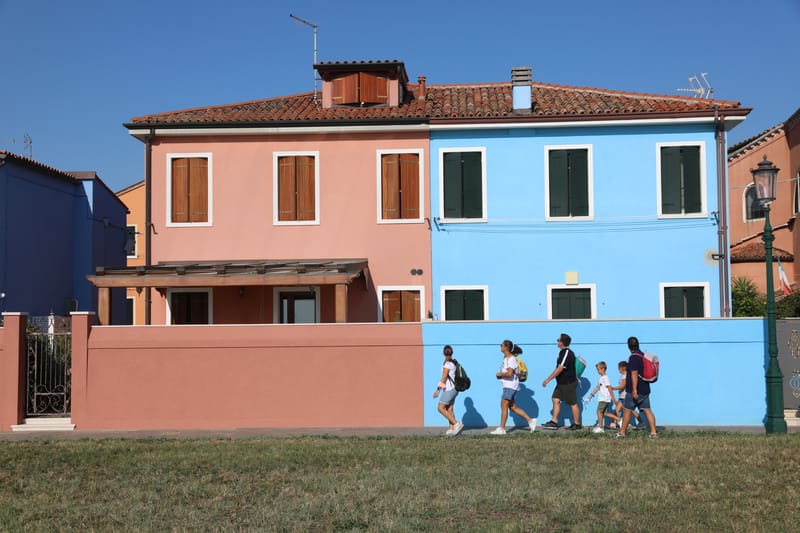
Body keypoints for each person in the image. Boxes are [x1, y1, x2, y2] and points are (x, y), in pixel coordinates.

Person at [490, 340, 537, 435]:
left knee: (503, 406)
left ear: (506, 347)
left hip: (510, 386)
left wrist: (500, 375)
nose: (500, 347)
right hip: (509, 386)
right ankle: (531, 421)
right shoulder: (506, 359)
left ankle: (502, 429)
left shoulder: (511, 359)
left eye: (501, 345)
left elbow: (510, 373)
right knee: (513, 407)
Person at [616, 336, 657, 439]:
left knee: (627, 410)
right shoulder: (643, 356)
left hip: (634, 390)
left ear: (629, 346)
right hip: (645, 388)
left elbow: (634, 374)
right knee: (647, 410)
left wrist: (634, 389)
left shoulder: (634, 358)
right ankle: (653, 433)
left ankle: (622, 433)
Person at [541, 333, 582, 430]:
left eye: (558, 340)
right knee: (555, 399)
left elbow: (560, 368)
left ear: (562, 342)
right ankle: (554, 422)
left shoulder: (567, 352)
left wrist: (548, 380)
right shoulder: (562, 352)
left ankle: (577, 424)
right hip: (561, 383)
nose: (557, 342)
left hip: (568, 383)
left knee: (572, 403)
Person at [432, 345, 464, 436]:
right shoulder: (453, 363)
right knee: (449, 408)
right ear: (452, 352)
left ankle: (456, 424)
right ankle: (451, 429)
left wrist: (438, 390)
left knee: (440, 408)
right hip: (455, 389)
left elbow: (444, 377)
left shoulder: (447, 364)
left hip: (449, 389)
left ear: (443, 353)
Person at [586, 361, 618, 433]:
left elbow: (609, 388)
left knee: (598, 412)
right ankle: (619, 420)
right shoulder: (601, 378)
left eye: (598, 369)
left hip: (604, 398)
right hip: (603, 398)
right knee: (604, 413)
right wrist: (591, 395)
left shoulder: (605, 378)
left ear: (603, 369)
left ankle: (601, 428)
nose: (597, 371)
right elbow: (598, 387)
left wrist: (614, 399)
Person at [611, 361, 641, 430]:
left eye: (619, 368)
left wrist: (613, 388)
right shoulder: (623, 375)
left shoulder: (625, 376)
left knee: (629, 410)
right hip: (622, 396)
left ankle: (640, 422)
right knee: (618, 410)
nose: (618, 370)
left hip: (625, 396)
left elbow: (622, 386)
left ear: (623, 368)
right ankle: (615, 423)